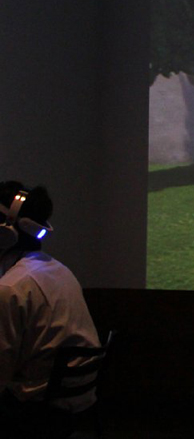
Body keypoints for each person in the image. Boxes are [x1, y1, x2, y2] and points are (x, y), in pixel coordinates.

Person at [0, 182, 101, 433]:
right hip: (79, 403)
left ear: (5, 233)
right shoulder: (59, 270)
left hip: (39, 412)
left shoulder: (11, 288)